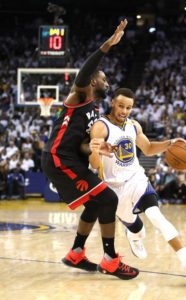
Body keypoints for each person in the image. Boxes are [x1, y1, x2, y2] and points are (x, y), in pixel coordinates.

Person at [41, 20, 139, 280]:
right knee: (109, 199)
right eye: (103, 79)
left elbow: (83, 145)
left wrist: (97, 146)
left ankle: (75, 253)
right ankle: (109, 259)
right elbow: (84, 73)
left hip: (70, 158)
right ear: (94, 80)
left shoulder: (95, 110)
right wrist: (107, 45)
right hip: (59, 159)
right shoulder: (80, 95)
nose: (107, 82)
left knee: (97, 204)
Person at [89, 88, 186, 279]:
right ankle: (134, 235)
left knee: (156, 216)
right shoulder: (101, 126)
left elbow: (148, 149)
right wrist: (94, 151)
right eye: (121, 106)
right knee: (137, 229)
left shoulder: (134, 126)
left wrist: (170, 143)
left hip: (137, 179)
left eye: (128, 107)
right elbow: (94, 164)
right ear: (113, 104)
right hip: (114, 189)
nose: (124, 111)